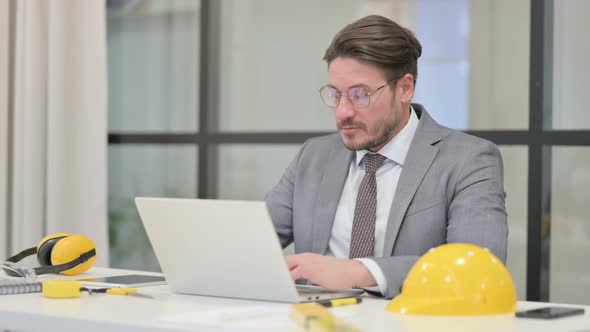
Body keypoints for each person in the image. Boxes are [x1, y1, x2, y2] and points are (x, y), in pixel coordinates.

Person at [265, 15, 507, 299]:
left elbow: (477, 267)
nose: (343, 112)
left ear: (404, 88)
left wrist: (358, 272)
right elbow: (251, 243)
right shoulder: (314, 156)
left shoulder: (468, 160)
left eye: (360, 95)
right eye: (335, 94)